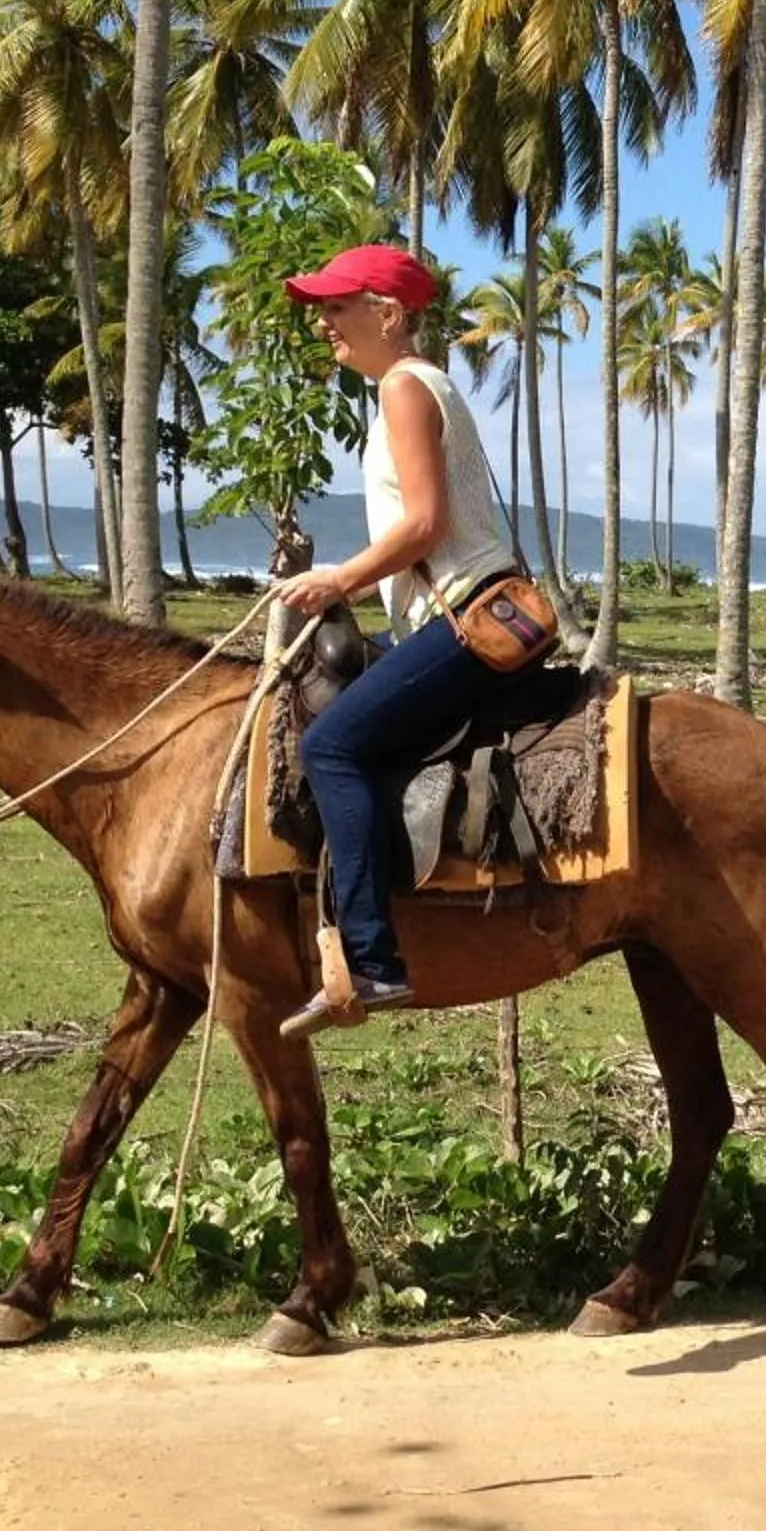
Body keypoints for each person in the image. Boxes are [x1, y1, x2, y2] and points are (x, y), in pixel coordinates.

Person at [271, 242, 520, 1040]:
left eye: (338, 306)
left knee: (333, 748)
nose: (323, 324)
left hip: (466, 617)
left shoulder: (406, 389)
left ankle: (373, 962)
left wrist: (336, 581)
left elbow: (423, 525)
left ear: (388, 313)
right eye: (321, 306)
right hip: (455, 613)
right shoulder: (410, 386)